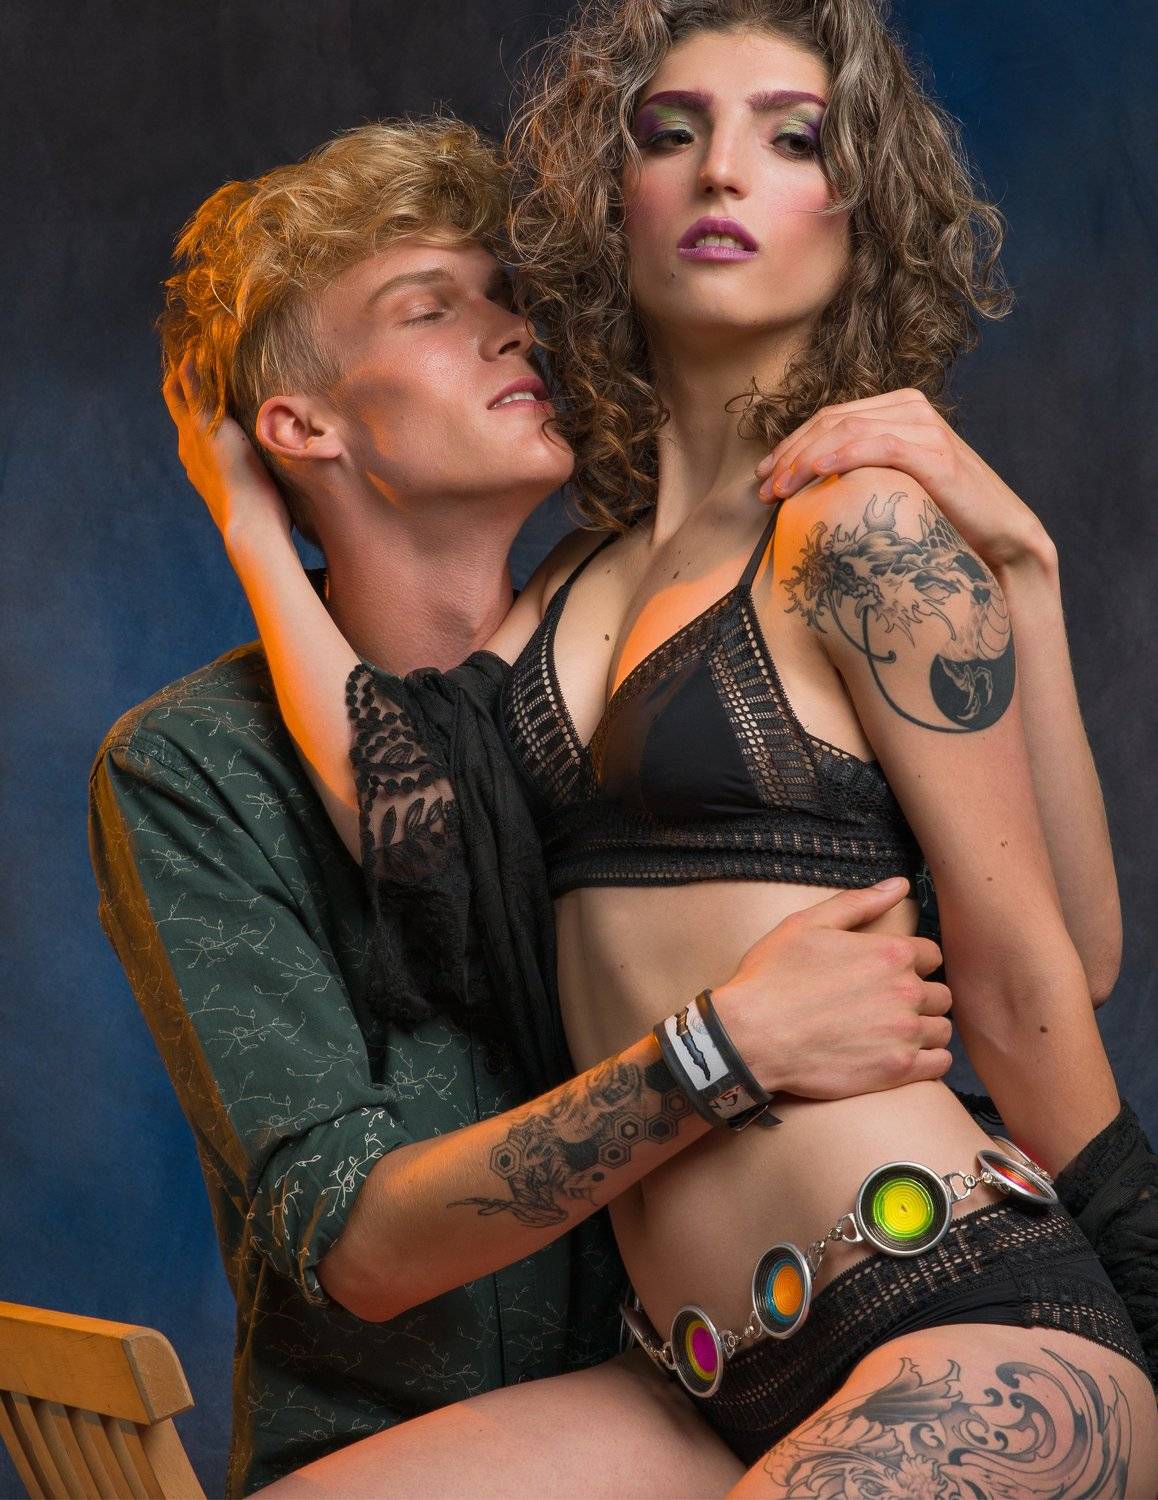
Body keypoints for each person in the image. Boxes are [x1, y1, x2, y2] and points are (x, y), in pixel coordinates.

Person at [192, 4, 1158, 1496]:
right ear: (611, 197)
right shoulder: (570, 581)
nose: (719, 170)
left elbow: (1038, 972)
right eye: (671, 131)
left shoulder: (859, 529)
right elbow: (405, 823)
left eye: (791, 138)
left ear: (861, 213)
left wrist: (1145, 1288)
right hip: (689, 1384)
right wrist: (250, 522)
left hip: (952, 1316)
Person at [91, 117, 961, 1498]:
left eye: (506, 297)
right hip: (398, 1454)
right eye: (429, 308)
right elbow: (355, 1245)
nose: (511, 330)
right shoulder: (194, 768)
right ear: (300, 427)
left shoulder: (664, 684)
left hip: (760, 1385)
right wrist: (723, 1047)